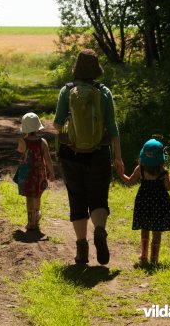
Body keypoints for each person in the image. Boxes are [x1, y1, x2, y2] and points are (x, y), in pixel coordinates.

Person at [53, 49, 124, 265]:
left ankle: (81, 248)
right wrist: (118, 157)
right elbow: (113, 128)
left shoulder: (67, 91)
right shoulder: (104, 92)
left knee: (77, 198)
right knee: (98, 198)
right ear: (96, 70)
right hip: (99, 153)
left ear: (76, 68)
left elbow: (56, 124)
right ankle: (100, 231)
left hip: (71, 154)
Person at [121, 138, 170, 265]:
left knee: (145, 228)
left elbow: (129, 181)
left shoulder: (140, 169)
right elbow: (168, 188)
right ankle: (154, 259)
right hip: (159, 204)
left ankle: (144, 256)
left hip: (144, 203)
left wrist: (121, 174)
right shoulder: (163, 172)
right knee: (157, 231)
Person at [14, 112, 55, 231]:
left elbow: (20, 151)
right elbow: (48, 159)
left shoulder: (23, 141)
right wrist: (51, 172)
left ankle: (30, 221)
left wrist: (20, 142)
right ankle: (36, 216)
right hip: (39, 174)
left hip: (26, 174)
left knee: (29, 197)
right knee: (37, 195)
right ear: (38, 127)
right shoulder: (42, 142)